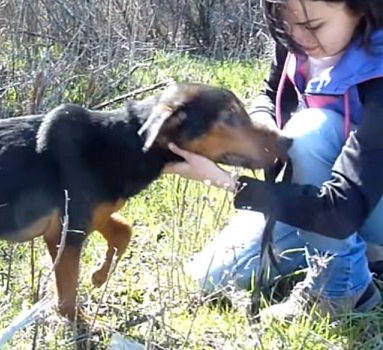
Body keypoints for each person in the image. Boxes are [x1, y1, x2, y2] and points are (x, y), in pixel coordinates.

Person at [164, 0, 383, 321]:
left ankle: (343, 286)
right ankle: (356, 253)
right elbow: (271, 92)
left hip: (360, 204)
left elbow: (340, 211)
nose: (297, 37)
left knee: (309, 131)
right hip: (323, 200)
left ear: (361, 7)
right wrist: (262, 120)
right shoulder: (298, 42)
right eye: (284, 20)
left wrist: (228, 182)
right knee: (212, 275)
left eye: (312, 26)